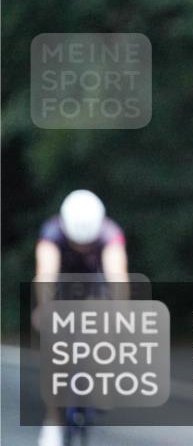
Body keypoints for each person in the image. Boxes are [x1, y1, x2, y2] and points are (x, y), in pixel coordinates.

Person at [34, 189, 129, 446]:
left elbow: (118, 276)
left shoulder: (110, 234)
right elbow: (45, 275)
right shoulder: (52, 233)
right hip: (62, 292)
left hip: (94, 291)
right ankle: (53, 422)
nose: (82, 247)